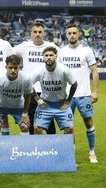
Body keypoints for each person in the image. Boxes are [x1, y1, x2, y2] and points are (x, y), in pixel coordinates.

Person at [57, 23, 99, 163]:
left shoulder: (86, 51)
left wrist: (95, 92)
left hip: (84, 94)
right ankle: (71, 154)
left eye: (74, 33)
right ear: (66, 34)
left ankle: (92, 152)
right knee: (68, 127)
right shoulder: (62, 52)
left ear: (79, 34)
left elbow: (94, 71)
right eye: (69, 33)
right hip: (67, 97)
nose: (72, 35)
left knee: (88, 122)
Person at [12, 22, 58, 135]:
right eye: (35, 32)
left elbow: (60, 64)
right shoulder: (24, 46)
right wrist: (19, 71)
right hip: (30, 90)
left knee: (49, 122)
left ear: (44, 33)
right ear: (31, 34)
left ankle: (52, 147)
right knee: (32, 121)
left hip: (47, 90)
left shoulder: (51, 47)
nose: (37, 34)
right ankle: (36, 148)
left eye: (40, 32)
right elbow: (10, 55)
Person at [32, 46, 77, 136]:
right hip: (45, 104)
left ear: (56, 56)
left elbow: (74, 84)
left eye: (51, 55)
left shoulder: (64, 70)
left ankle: (70, 150)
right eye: (46, 55)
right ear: (43, 57)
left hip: (61, 104)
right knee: (37, 128)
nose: (49, 57)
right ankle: (39, 149)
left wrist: (68, 101)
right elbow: (28, 85)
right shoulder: (39, 71)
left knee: (70, 129)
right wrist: (38, 100)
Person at [0, 54, 33, 135]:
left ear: (19, 67)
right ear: (6, 67)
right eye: (10, 68)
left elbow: (28, 96)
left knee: (25, 127)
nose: (13, 70)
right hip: (1, 106)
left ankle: (25, 147)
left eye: (15, 68)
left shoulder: (26, 78)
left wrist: (25, 114)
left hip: (18, 107)